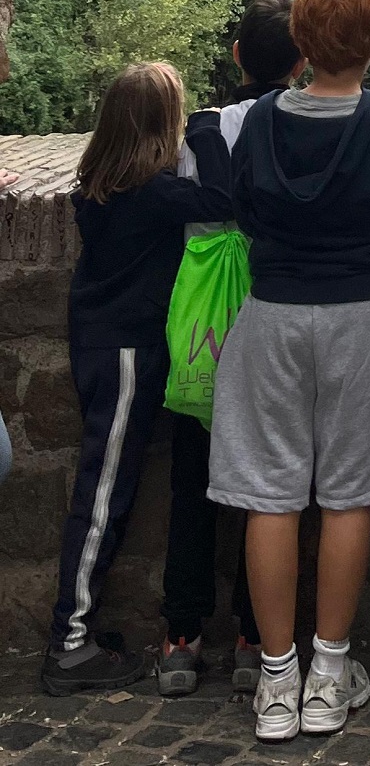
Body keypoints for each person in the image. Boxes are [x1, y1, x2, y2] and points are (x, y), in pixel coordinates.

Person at [209, 0, 370, 743]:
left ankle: (278, 679)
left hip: (272, 317)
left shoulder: (260, 124)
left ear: (302, 39)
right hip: (366, 318)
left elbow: (243, 211)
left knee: (270, 494)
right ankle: (330, 673)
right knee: (350, 494)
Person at [42, 62, 231, 694]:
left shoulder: (99, 181)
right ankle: (69, 645)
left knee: (107, 492)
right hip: (125, 353)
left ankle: (80, 634)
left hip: (100, 340)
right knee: (101, 499)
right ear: (163, 124)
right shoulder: (156, 194)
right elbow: (226, 199)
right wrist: (206, 133)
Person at [158, 0, 301, 700]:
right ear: (303, 60)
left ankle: (180, 636)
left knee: (191, 484)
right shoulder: (304, 128)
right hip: (274, 318)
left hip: (203, 330)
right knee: (267, 484)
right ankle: (253, 636)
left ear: (238, 56)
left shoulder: (199, 130)